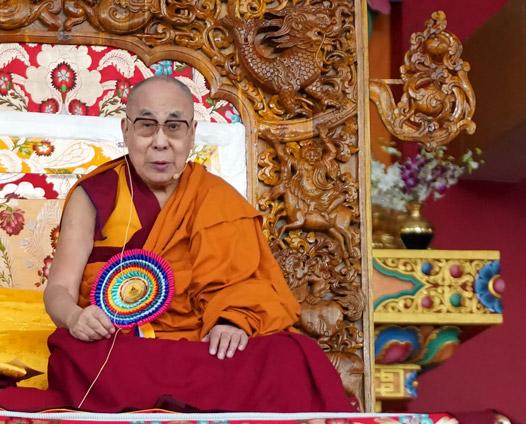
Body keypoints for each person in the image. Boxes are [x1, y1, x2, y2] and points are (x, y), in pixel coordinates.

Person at [38, 76, 352, 412]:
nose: (160, 142)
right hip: (123, 346)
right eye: (147, 126)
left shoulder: (216, 198)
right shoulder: (95, 195)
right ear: (125, 129)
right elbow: (57, 290)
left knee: (292, 353)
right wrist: (75, 318)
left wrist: (232, 321)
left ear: (191, 134)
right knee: (73, 354)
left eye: (174, 127)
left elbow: (248, 284)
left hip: (203, 345)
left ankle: (174, 398)